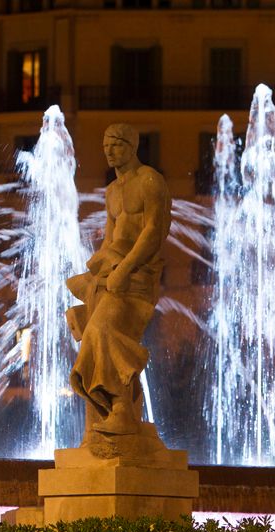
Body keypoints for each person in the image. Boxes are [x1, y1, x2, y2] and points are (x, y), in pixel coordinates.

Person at [66, 124, 171, 437]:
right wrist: (96, 272)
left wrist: (125, 269)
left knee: (102, 330)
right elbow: (111, 239)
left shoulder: (149, 180)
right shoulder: (112, 191)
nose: (109, 151)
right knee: (94, 332)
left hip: (137, 277)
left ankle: (122, 409)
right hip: (112, 274)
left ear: (132, 145)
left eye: (116, 144)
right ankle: (113, 411)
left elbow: (153, 231)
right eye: (105, 146)